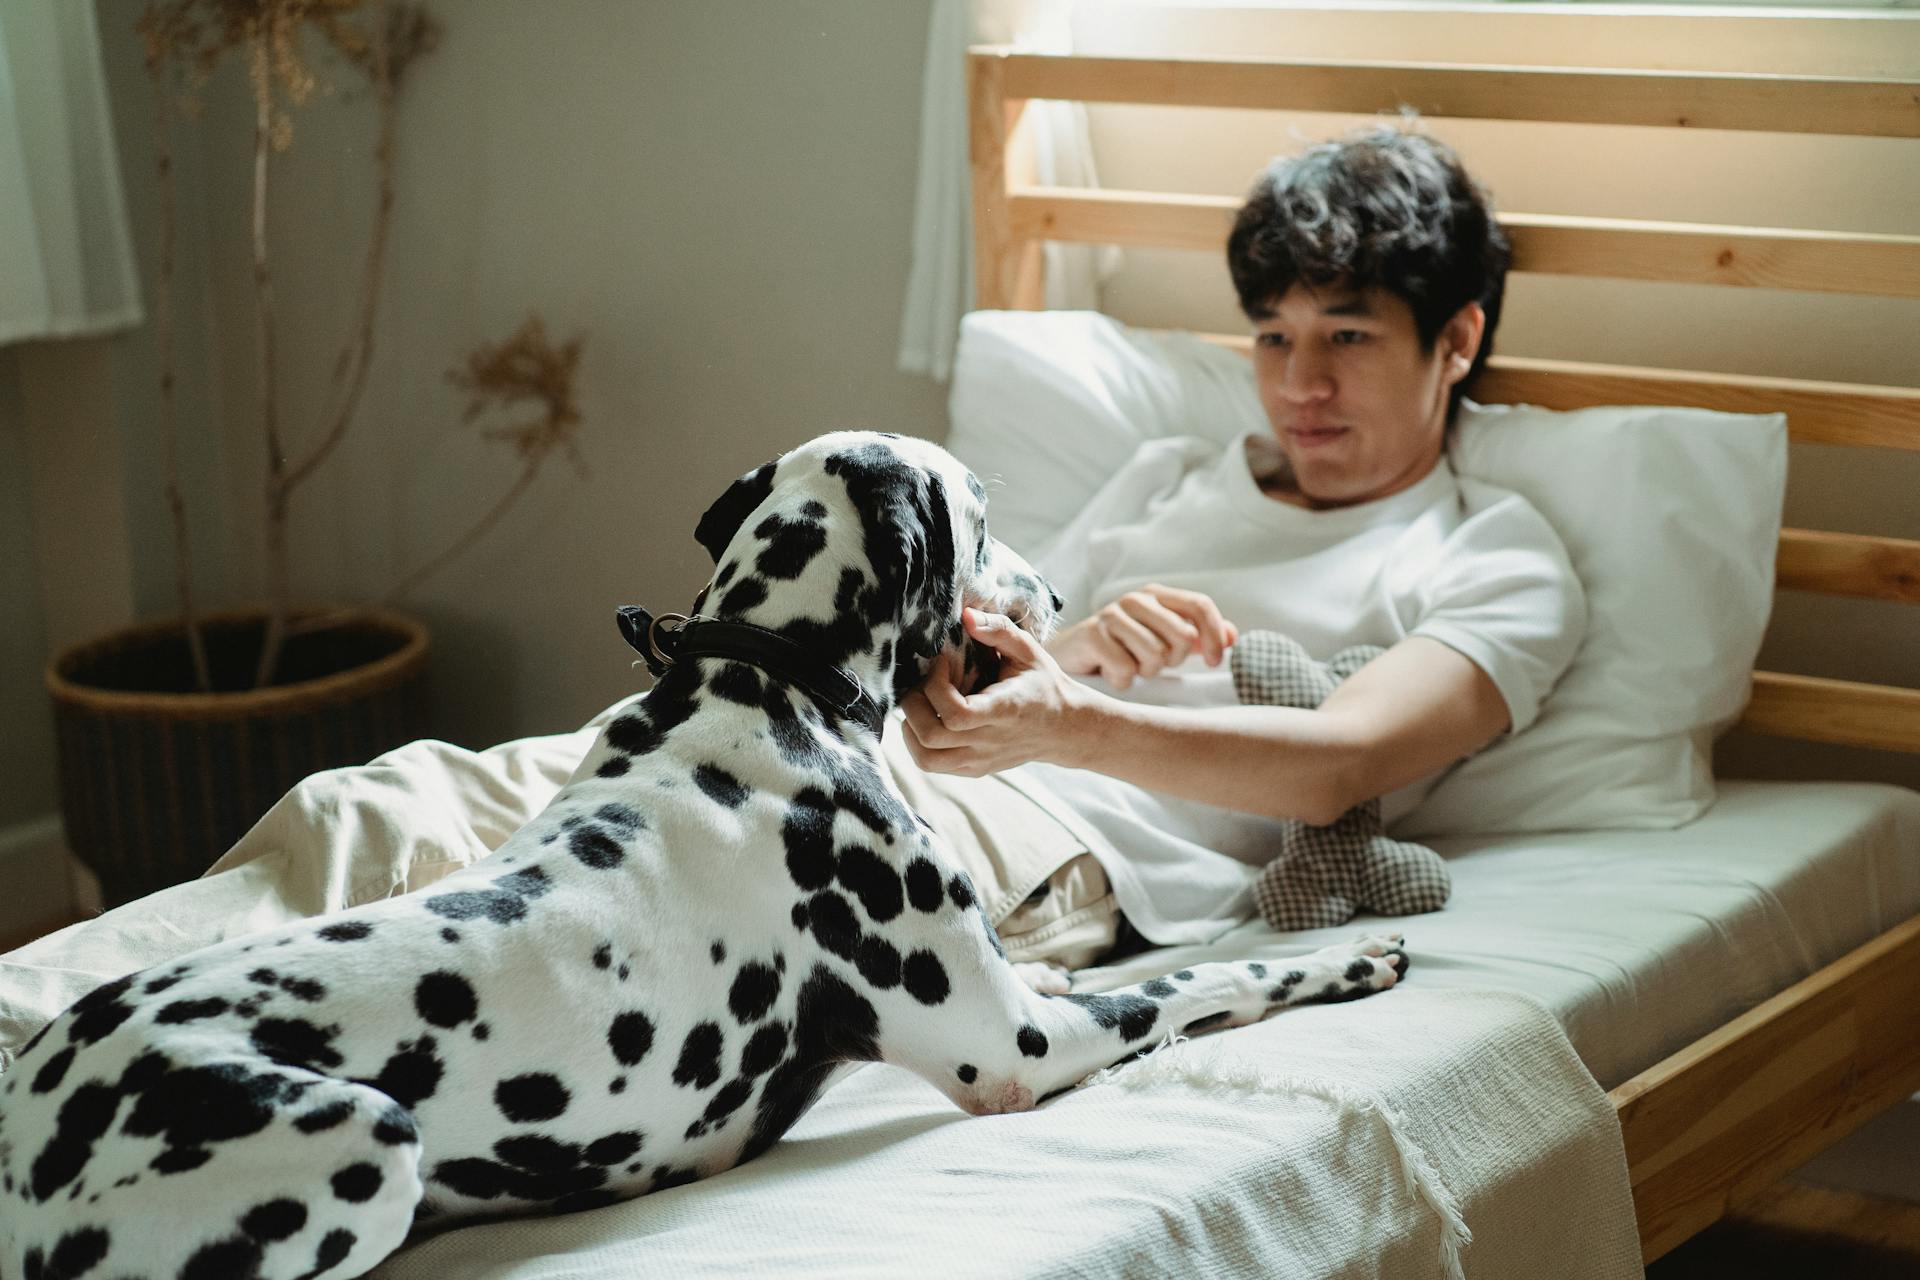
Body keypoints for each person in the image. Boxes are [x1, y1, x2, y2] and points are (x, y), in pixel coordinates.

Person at [885, 123, 1587, 969]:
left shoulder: (1495, 559)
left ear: (1458, 341)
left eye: (1348, 336)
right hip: (895, 764)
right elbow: (968, 671)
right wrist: (1075, 650)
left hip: (1071, 849)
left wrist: (1075, 726)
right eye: (1273, 338)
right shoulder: (1165, 475)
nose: (1300, 386)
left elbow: (1343, 765)